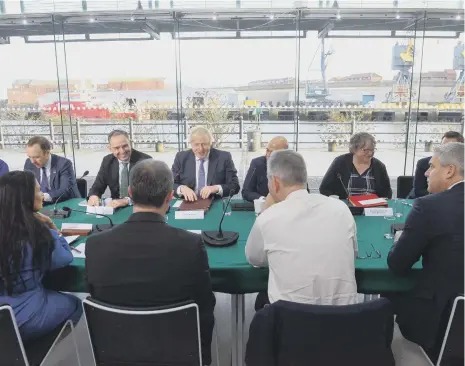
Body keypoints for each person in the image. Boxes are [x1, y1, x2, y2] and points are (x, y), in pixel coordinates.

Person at [85, 159, 216, 365]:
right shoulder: (190, 245)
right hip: (178, 352)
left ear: (129, 193)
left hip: (116, 351)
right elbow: (205, 306)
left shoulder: (94, 245)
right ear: (170, 196)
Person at [245, 150, 358, 307]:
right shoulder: (341, 209)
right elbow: (353, 253)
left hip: (291, 323)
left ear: (275, 182)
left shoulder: (269, 217)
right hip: (345, 322)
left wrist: (266, 210)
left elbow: (254, 258)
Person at [387, 142, 464, 365]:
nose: (426, 173)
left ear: (449, 171)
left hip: (443, 318)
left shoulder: (429, 206)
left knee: (390, 310)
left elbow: (398, 264)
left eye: (432, 167)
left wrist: (402, 239)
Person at [0, 171, 82, 342]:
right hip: (23, 317)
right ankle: (38, 353)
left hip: (5, 311)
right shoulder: (38, 233)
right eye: (38, 191)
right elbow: (64, 259)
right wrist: (52, 227)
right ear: (26, 197)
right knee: (75, 305)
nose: (42, 195)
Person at [171, 126, 240, 201]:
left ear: (210, 143)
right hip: (188, 203)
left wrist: (216, 188)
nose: (201, 149)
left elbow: (235, 186)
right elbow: (170, 184)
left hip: (215, 202)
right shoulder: (181, 157)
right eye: (196, 144)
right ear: (191, 144)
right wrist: (181, 188)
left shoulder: (224, 157)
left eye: (204, 144)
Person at [87, 130, 151, 208]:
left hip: (140, 206)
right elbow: (98, 186)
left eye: (125, 146)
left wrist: (126, 200)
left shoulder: (146, 161)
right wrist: (94, 195)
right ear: (110, 149)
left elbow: (149, 192)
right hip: (115, 207)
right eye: (117, 148)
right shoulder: (107, 161)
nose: (122, 151)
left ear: (130, 143)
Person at [319, 132, 392, 199]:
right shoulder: (340, 162)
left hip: (371, 209)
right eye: (365, 150)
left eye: (372, 150)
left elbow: (387, 194)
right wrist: (335, 200)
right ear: (354, 149)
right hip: (345, 208)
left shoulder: (379, 166)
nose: (370, 153)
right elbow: (324, 188)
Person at [24, 136, 80, 203]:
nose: (32, 161)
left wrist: (43, 197)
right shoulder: (29, 163)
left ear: (47, 153)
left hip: (64, 204)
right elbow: (26, 187)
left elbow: (65, 191)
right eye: (30, 157)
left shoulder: (64, 164)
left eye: (36, 157)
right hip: (39, 205)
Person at [409, 131, 464, 199]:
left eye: (450, 147)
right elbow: (419, 191)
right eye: (443, 146)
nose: (444, 150)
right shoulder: (423, 163)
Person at [241, 136, 288, 202]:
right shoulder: (257, 164)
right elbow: (246, 192)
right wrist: (263, 199)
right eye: (267, 150)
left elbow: (303, 191)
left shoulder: (294, 165)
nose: (267, 154)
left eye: (272, 152)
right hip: (263, 207)